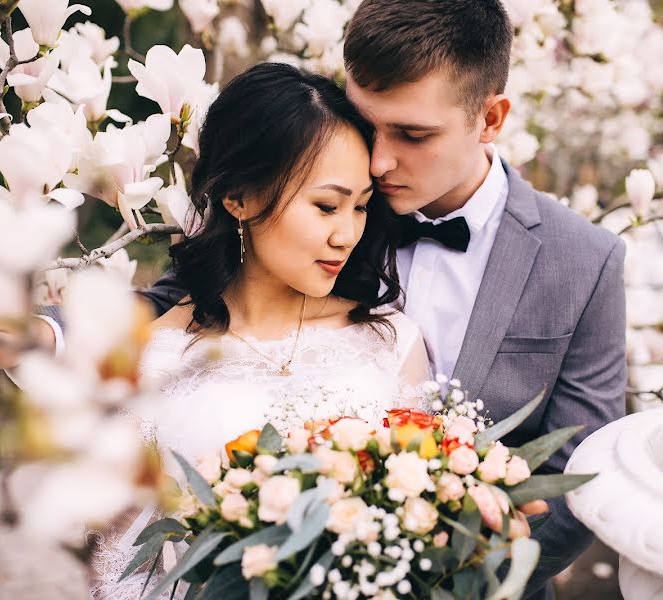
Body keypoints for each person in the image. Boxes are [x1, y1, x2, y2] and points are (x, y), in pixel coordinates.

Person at [119, 1, 627, 597]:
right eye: (369, 124)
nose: (380, 161)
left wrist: (444, 578)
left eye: (413, 135)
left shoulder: (584, 262)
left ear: (490, 119)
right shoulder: (332, 189)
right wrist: (53, 330)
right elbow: (208, 283)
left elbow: (576, 472)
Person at [88, 62, 431, 599]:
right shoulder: (158, 358)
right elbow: (121, 564)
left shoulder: (389, 339)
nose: (347, 234)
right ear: (240, 197)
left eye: (361, 207)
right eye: (326, 206)